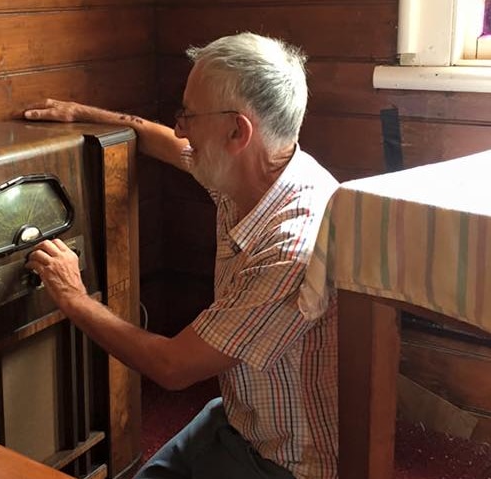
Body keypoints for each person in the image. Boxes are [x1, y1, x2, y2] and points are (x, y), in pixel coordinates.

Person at [23, 32, 339, 479]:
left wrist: (74, 296)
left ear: (236, 131)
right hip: (237, 420)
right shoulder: (257, 169)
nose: (181, 128)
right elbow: (165, 142)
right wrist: (84, 113)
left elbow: (173, 367)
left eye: (189, 115)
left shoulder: (294, 246)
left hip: (285, 463)